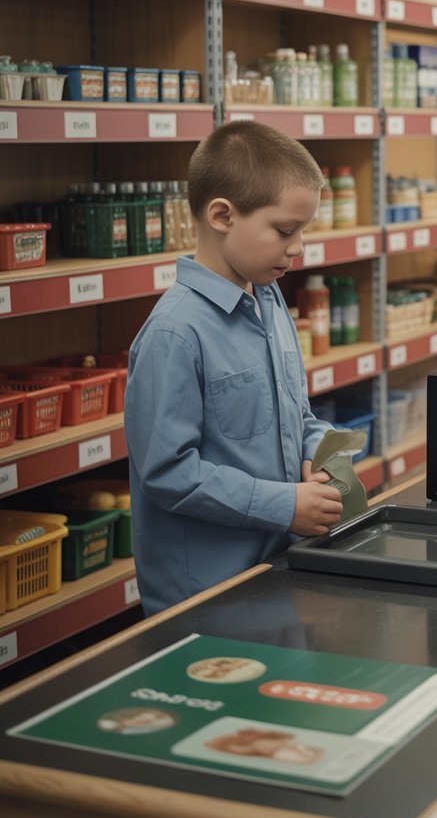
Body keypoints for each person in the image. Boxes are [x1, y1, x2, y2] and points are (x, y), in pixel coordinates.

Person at [125, 122, 342, 615]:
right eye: (285, 230)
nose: (298, 247)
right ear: (222, 214)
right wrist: (284, 504)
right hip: (207, 597)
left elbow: (296, 416)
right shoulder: (174, 334)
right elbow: (167, 472)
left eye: (303, 230)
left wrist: (320, 454)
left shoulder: (270, 301)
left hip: (279, 567)